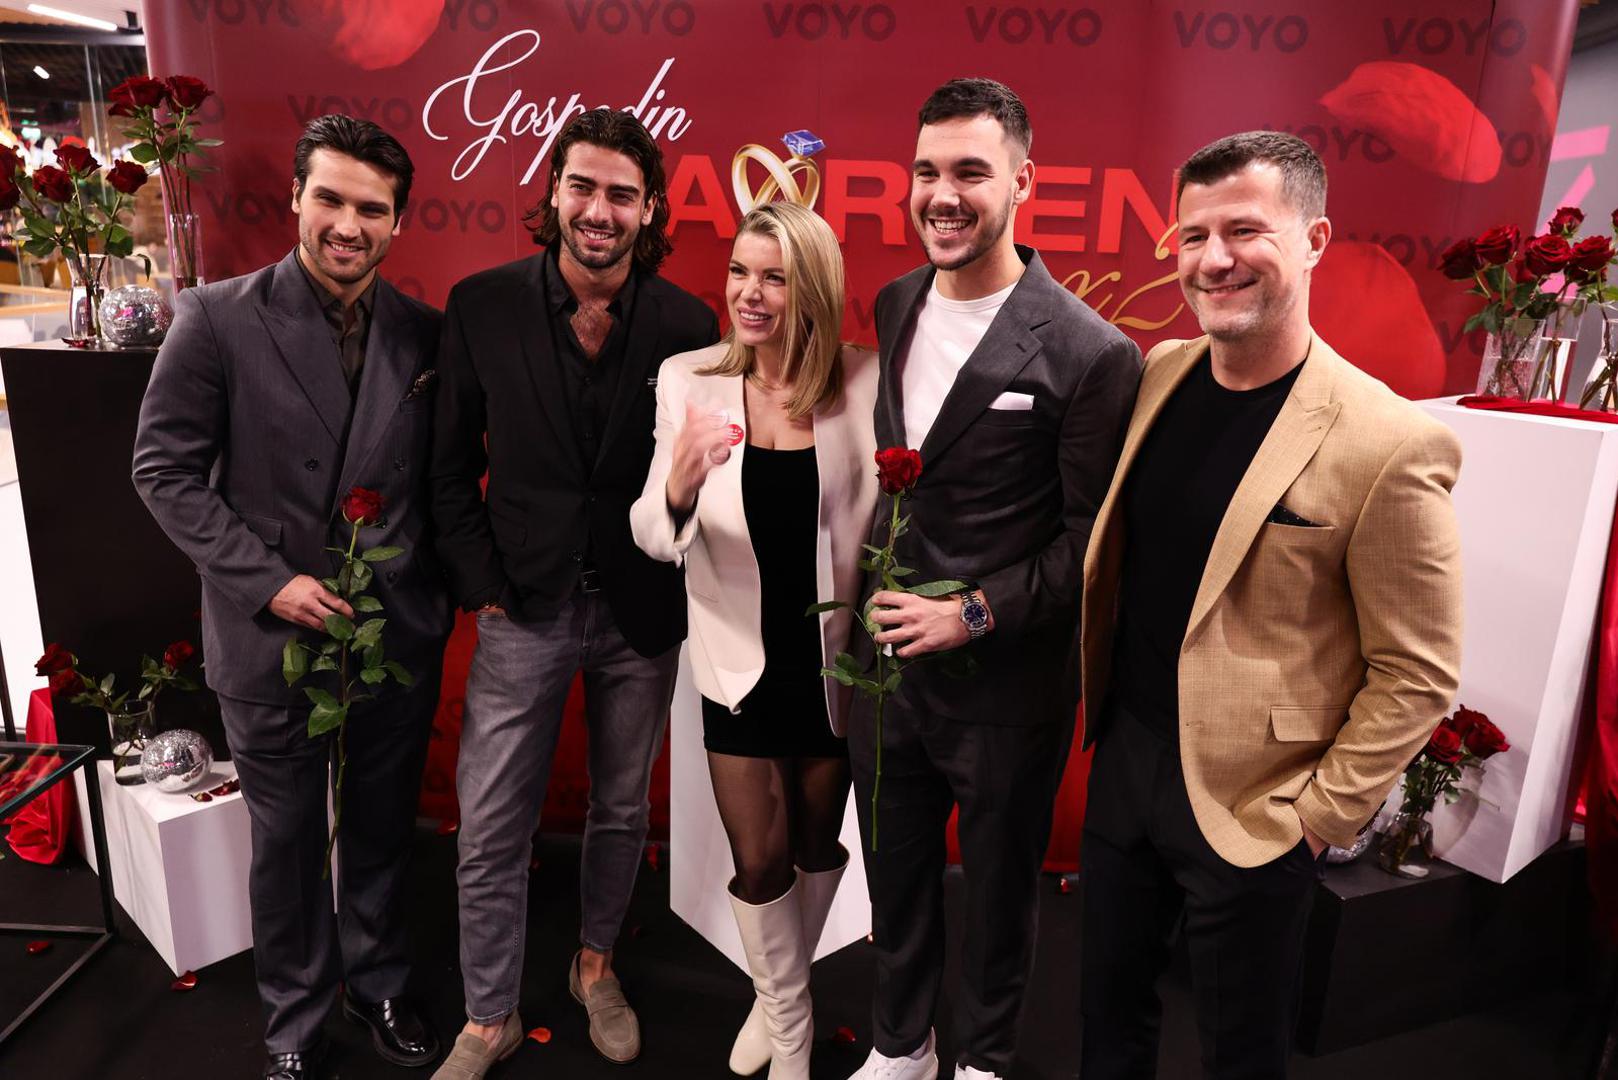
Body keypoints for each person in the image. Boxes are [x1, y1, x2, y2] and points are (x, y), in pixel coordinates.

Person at [1077, 131, 1464, 1079]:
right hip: (1126, 763)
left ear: (1315, 239)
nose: (1213, 259)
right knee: (1104, 1027)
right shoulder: (1160, 373)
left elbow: (1418, 669)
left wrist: (1320, 818)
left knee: (1241, 1057)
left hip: (1260, 807)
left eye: (1245, 230)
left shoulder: (1389, 440)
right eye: (1193, 235)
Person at [133, 114, 452, 1080]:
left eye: (372, 208)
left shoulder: (426, 334)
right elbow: (164, 471)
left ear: (397, 221)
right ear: (297, 200)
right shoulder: (216, 317)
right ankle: (295, 1021)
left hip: (392, 633)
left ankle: (378, 981)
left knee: (383, 827)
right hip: (267, 637)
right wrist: (271, 582)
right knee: (285, 844)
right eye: (331, 199)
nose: (348, 225)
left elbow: (438, 485)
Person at [848, 79, 1142, 1080]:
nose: (942, 194)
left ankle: (980, 1059)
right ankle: (901, 1044)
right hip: (886, 675)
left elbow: (1092, 545)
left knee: (999, 896)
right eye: (926, 171)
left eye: (969, 172)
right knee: (894, 880)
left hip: (1007, 685)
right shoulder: (894, 303)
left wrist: (972, 614)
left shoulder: (1090, 351)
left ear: (1022, 182)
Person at [427, 107, 718, 1078]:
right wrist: (484, 587)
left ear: (650, 209)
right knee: (490, 824)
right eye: (583, 187)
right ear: (553, 192)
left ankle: (596, 966)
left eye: (621, 195)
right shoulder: (481, 305)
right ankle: (487, 1015)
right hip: (523, 606)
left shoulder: (688, 324)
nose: (600, 210)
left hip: (642, 608)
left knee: (622, 809)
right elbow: (446, 466)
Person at [630, 202, 879, 1079]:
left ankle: (778, 999)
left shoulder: (864, 380)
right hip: (736, 662)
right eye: (740, 271)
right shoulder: (688, 379)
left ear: (813, 291)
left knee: (816, 847)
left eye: (775, 277)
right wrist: (679, 483)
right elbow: (651, 533)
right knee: (761, 859)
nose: (750, 293)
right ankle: (792, 1030)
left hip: (833, 667)